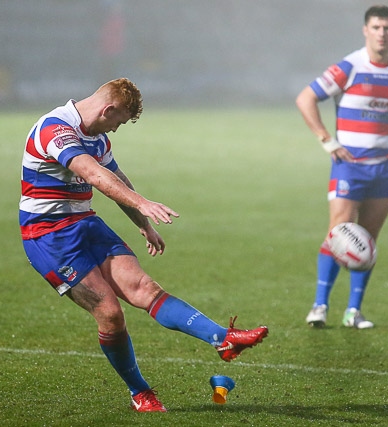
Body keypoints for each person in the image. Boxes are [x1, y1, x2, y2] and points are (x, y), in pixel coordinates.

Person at [19, 78, 268, 412]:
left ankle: (222, 337)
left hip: (85, 223)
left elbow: (117, 179)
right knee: (110, 314)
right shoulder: (56, 129)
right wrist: (144, 202)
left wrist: (143, 224)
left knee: (145, 288)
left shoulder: (98, 138)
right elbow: (93, 175)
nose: (118, 129)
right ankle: (141, 393)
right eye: (119, 121)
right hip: (48, 237)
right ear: (107, 109)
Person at [295, 5, 388, 329]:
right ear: (366, 30)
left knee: (366, 241)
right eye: (377, 27)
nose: (382, 33)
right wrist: (327, 140)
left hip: (385, 169)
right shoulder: (349, 67)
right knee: (338, 234)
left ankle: (353, 312)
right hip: (349, 166)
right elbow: (306, 98)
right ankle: (319, 306)